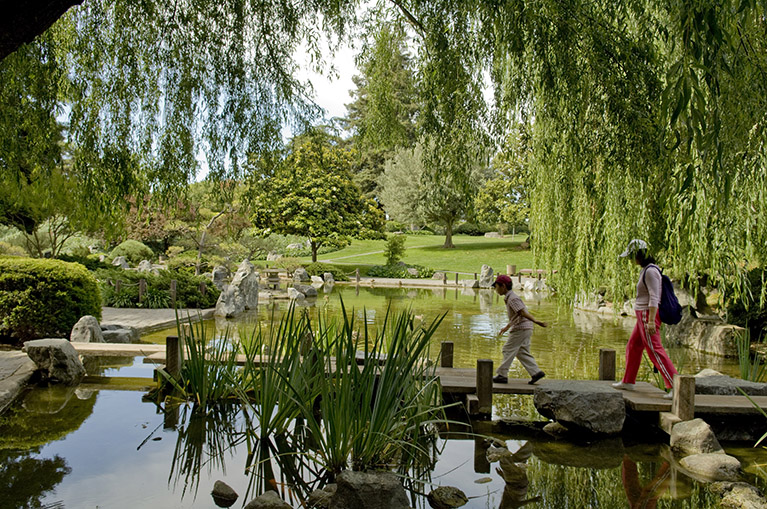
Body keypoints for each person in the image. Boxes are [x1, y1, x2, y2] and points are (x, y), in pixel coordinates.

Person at [612, 239, 678, 399]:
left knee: (655, 350)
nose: (631, 260)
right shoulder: (646, 270)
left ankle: (675, 386)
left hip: (648, 316)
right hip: (642, 315)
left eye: (631, 256)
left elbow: (654, 298)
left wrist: (650, 321)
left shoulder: (651, 272)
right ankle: (628, 380)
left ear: (639, 255)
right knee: (633, 346)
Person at [491, 274, 547, 384]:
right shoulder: (510, 297)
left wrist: (536, 321)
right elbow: (516, 315)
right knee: (521, 351)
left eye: (496, 286)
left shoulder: (512, 298)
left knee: (507, 349)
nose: (495, 289)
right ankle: (536, 372)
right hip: (525, 328)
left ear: (503, 286)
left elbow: (522, 312)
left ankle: (502, 375)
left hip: (521, 328)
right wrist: (507, 327)